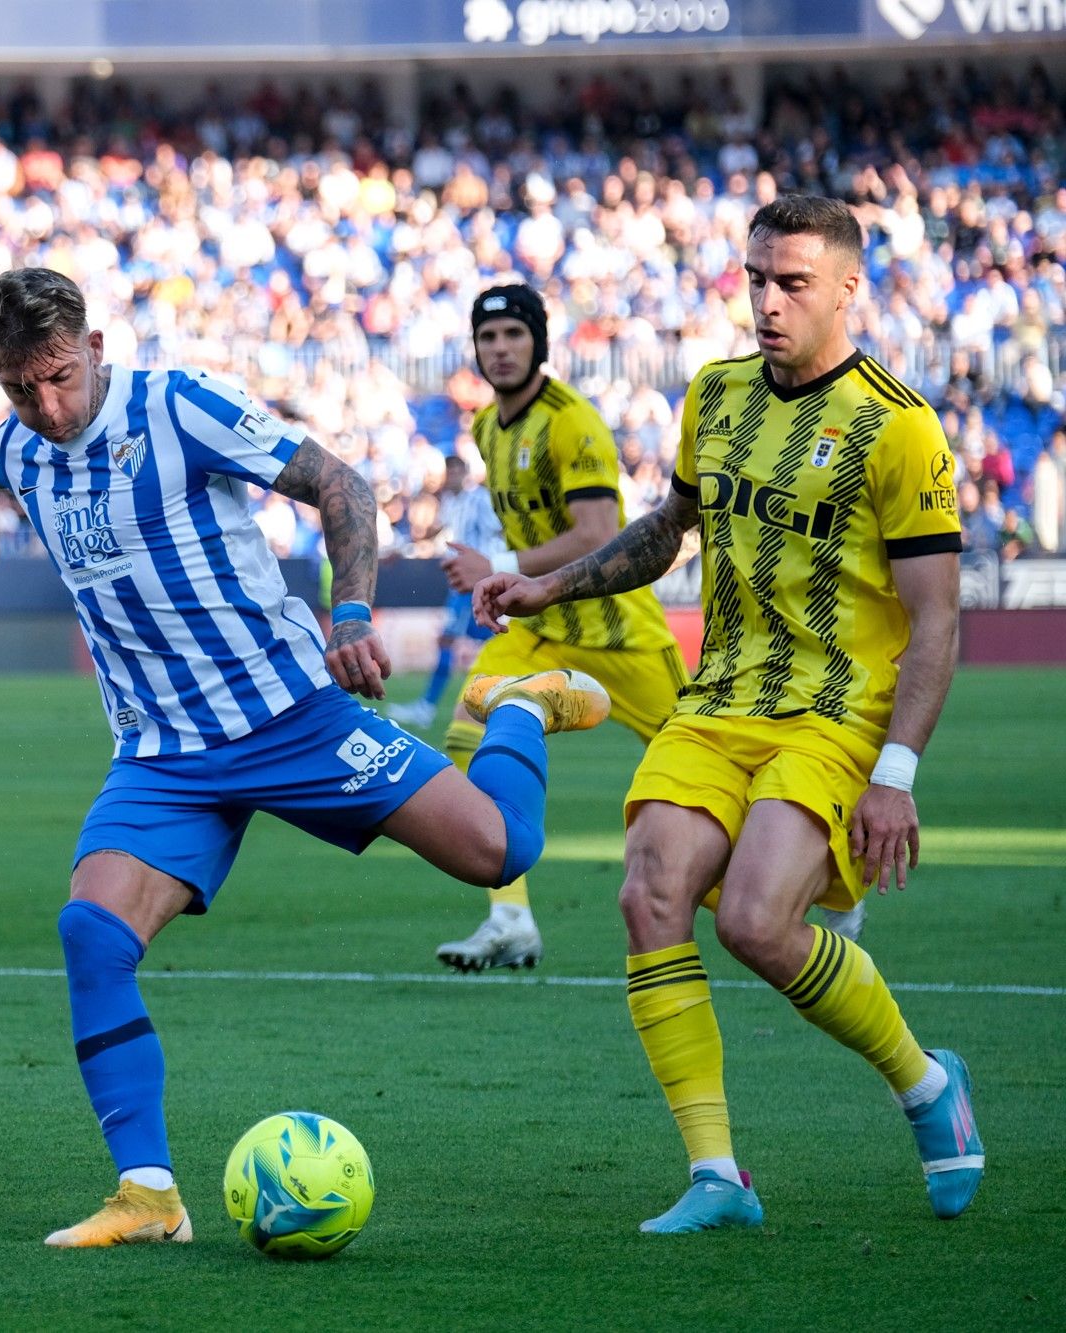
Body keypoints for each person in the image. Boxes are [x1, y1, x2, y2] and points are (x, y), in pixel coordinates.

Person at [0, 267, 611, 1247]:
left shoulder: (175, 406)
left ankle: (513, 707)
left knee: (499, 851)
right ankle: (148, 1196)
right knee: (91, 934)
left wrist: (348, 609)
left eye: (56, 377)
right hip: (163, 756)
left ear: (93, 349)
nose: (44, 407)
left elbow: (336, 482)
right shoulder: (23, 444)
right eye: (20, 388)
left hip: (289, 714)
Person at [475, 196, 982, 1234]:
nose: (764, 301)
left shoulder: (898, 426)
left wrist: (894, 777)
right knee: (647, 894)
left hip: (831, 715)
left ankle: (926, 1083)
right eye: (753, 278)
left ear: (847, 288)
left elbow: (934, 620)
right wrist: (555, 585)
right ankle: (716, 1176)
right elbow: (667, 527)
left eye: (790, 282)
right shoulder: (712, 394)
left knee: (755, 922)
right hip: (717, 702)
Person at [428, 285, 689, 972]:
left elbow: (600, 532)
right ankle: (509, 915)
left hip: (618, 631)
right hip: (538, 627)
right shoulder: (489, 428)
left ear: (538, 341)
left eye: (514, 334)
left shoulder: (571, 420)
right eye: (488, 338)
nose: (501, 348)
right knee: (466, 724)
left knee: (707, 766)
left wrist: (502, 564)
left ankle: (829, 882)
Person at [383, 452, 501, 735]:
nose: (453, 476)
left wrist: (491, 566)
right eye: (450, 471)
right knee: (486, 638)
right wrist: (401, 549)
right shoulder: (451, 502)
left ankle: (427, 707)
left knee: (452, 639)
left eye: (458, 471)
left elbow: (499, 530)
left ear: (465, 473)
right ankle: (503, 696)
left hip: (475, 582)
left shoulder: (479, 499)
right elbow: (438, 532)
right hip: (459, 582)